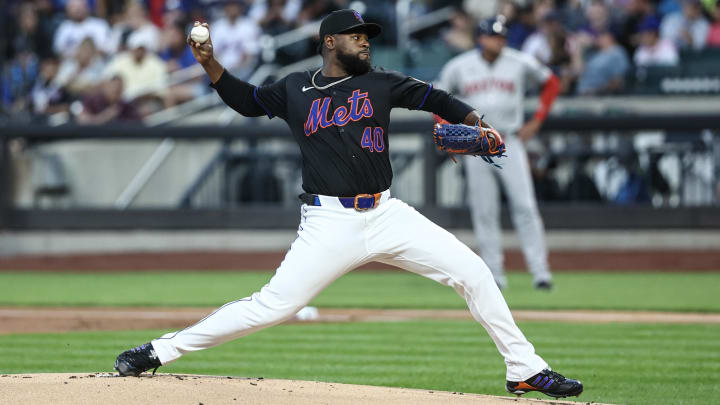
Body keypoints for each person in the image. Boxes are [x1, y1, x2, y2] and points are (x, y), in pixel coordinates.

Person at [113, 10, 583, 399]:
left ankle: (524, 368)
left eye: (367, 37)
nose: (365, 43)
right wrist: (210, 64)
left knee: (473, 272)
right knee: (273, 306)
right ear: (329, 41)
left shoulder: (381, 83)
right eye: (356, 37)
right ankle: (158, 351)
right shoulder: (295, 87)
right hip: (328, 222)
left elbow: (434, 96)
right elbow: (248, 101)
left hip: (387, 214)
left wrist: (476, 118)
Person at [436, 17, 560, 291]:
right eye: (493, 37)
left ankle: (541, 273)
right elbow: (436, 99)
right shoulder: (460, 65)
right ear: (480, 38)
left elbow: (551, 83)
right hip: (475, 142)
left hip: (509, 139)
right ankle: (495, 275)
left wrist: (537, 120)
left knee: (525, 207)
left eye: (502, 36)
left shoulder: (519, 60)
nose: (498, 41)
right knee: (484, 211)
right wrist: (447, 129)